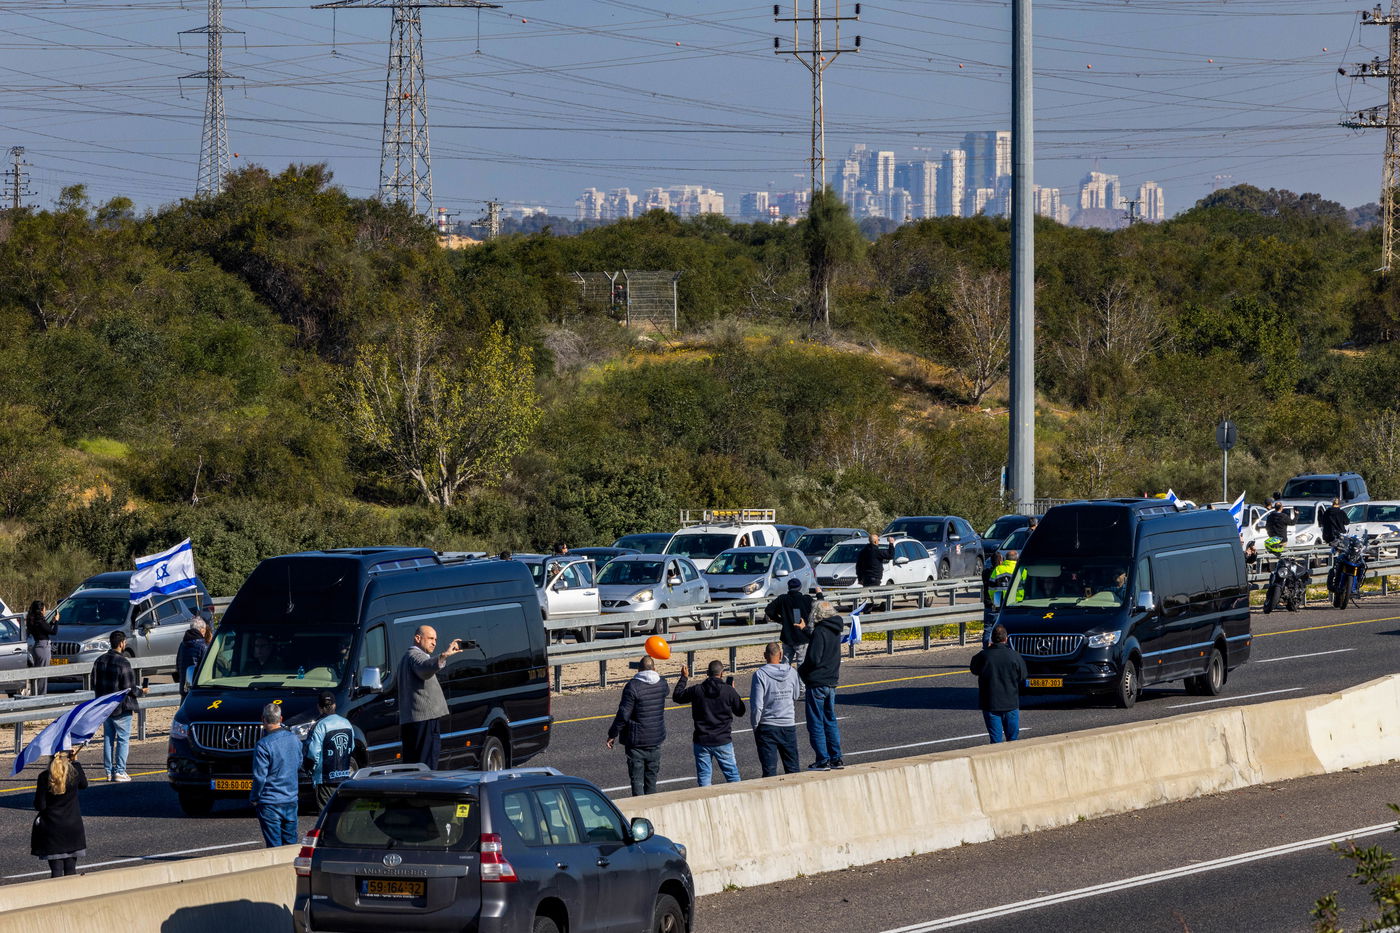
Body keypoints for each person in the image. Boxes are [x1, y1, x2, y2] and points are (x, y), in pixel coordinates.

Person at [397, 625, 463, 769]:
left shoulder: (405, 658)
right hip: (424, 720)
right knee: (426, 766)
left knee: (412, 767)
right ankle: (425, 791)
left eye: (436, 639)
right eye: (431, 638)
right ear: (417, 638)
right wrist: (444, 656)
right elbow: (424, 668)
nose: (434, 642)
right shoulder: (415, 655)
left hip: (412, 720)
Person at [672, 660, 746, 787]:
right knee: (732, 776)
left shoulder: (697, 690)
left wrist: (684, 678)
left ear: (707, 673)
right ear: (722, 674)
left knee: (704, 777)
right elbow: (740, 711)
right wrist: (734, 692)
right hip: (723, 741)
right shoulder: (728, 691)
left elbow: (677, 696)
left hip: (702, 741)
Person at [605, 655, 669, 796]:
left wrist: (612, 734)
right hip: (655, 740)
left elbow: (623, 714)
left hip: (636, 742)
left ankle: (640, 813)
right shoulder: (662, 684)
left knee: (637, 781)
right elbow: (666, 692)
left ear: (639, 670)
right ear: (654, 668)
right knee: (651, 780)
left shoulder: (632, 687)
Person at [92, 630, 146, 782]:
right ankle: (120, 771)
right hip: (121, 707)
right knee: (122, 739)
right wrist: (141, 691)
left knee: (108, 739)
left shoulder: (99, 660)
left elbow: (94, 684)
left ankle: (109, 772)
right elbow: (129, 688)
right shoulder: (123, 662)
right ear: (122, 643)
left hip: (105, 708)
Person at [798, 601, 845, 770]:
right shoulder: (834, 628)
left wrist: (801, 672)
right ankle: (836, 758)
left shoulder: (820, 630)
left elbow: (814, 658)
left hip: (817, 682)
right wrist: (805, 630)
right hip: (831, 681)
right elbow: (821, 640)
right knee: (830, 720)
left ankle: (822, 759)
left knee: (816, 722)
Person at [250, 702, 302, 847]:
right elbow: (298, 764)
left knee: (274, 846)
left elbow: (260, 776)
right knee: (291, 844)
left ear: (263, 719)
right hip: (291, 798)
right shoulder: (294, 739)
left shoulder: (263, 744)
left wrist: (254, 797)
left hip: (270, 800)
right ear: (281, 718)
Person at [31, 747, 87, 877]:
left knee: (56, 870)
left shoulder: (44, 777)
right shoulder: (74, 774)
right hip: (73, 826)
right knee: (71, 869)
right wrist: (76, 762)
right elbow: (84, 784)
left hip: (52, 827)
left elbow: (40, 805)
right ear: (67, 757)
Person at [970, 624, 1029, 743]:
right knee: (1013, 740)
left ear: (992, 639)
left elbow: (974, 670)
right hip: (1010, 703)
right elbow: (1023, 676)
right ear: (1005, 639)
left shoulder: (983, 656)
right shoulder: (1014, 656)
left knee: (995, 741)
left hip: (990, 703)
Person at [750, 642, 802, 777]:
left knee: (769, 770)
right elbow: (796, 695)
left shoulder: (760, 675)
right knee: (793, 769)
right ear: (781, 655)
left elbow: (757, 705)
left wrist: (755, 725)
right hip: (788, 724)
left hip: (767, 725)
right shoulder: (792, 672)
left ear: (765, 656)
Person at [306, 691, 355, 807]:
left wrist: (311, 770)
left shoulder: (319, 725)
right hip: (343, 776)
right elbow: (351, 747)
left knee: (325, 816)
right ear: (334, 705)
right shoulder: (347, 723)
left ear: (319, 707)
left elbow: (313, 753)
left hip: (325, 779)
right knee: (340, 812)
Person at [764, 578, 813, 665]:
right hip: (802, 636)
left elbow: (769, 610)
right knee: (802, 664)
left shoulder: (782, 599)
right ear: (800, 587)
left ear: (788, 587)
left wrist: (779, 620)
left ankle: (784, 678)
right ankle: (799, 679)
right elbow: (819, 608)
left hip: (787, 636)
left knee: (785, 663)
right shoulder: (806, 599)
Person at [25, 601, 53, 696]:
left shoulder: (33, 621)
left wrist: (52, 622)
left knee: (37, 673)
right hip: (43, 647)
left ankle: (35, 694)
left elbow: (46, 629)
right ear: (41, 610)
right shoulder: (40, 621)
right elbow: (52, 631)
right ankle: (41, 695)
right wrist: (56, 621)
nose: (45, 610)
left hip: (37, 647)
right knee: (43, 674)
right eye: (44, 608)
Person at [175, 619, 209, 695]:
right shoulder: (202, 646)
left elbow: (178, 664)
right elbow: (207, 668)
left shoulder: (182, 644)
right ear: (202, 630)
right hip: (197, 689)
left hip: (184, 687)